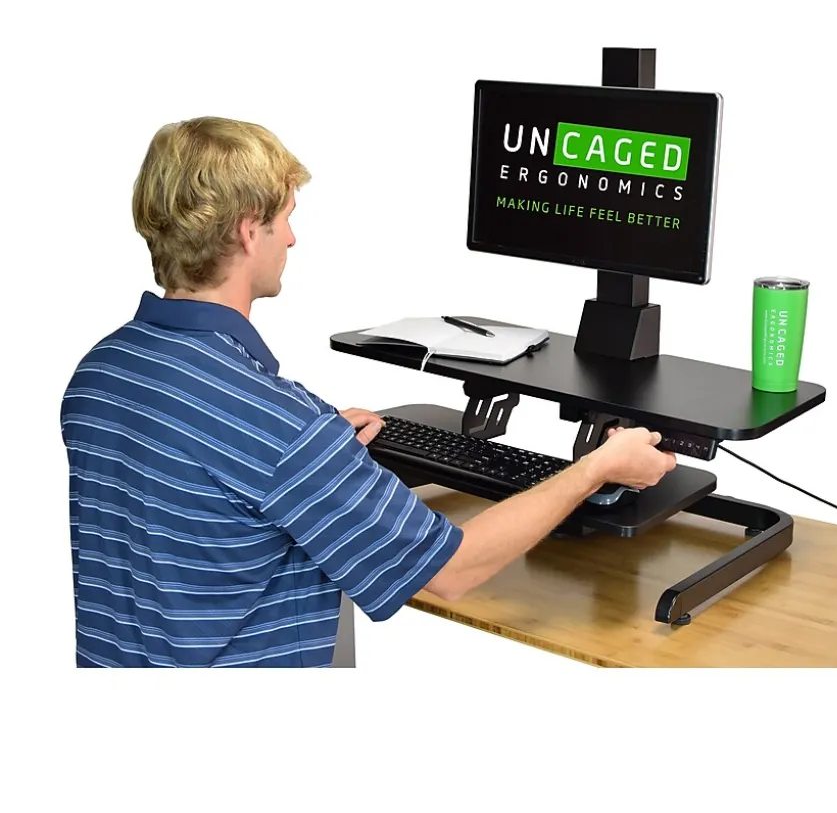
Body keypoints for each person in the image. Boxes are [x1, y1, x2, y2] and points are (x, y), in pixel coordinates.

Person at [61, 116, 677, 667]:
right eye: (286, 218)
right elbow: (453, 571)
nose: (292, 239)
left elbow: (205, 483)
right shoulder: (282, 430)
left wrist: (316, 462)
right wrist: (597, 468)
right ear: (249, 233)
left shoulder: (100, 373)